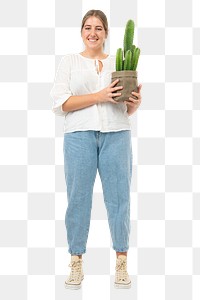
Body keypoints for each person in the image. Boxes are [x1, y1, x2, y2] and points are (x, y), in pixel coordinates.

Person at [50, 9, 142, 290]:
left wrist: (134, 104)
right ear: (81, 32)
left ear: (106, 33)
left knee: (119, 199)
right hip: (78, 136)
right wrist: (99, 96)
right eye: (88, 27)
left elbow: (125, 106)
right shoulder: (69, 62)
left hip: (117, 133)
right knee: (78, 199)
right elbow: (61, 103)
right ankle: (76, 262)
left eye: (99, 28)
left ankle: (122, 262)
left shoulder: (119, 61)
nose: (93, 33)